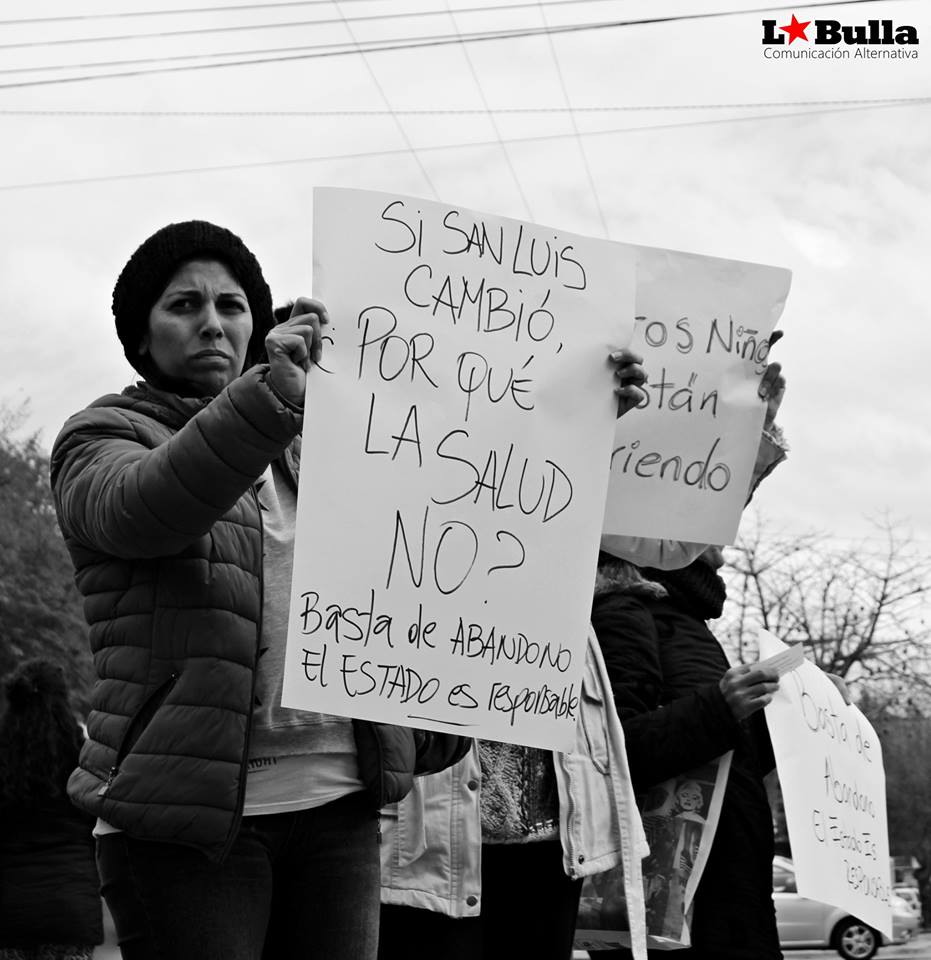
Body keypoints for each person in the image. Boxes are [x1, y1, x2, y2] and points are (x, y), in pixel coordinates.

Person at [49, 220, 469, 960]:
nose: (212, 322)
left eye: (232, 304)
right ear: (141, 337)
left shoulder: (335, 438)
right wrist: (268, 397)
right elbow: (147, 507)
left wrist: (575, 419)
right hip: (189, 826)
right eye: (183, 305)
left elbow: (448, 515)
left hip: (337, 806)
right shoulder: (101, 438)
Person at [378, 354, 652, 960]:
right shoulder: (394, 482)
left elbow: (667, 527)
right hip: (436, 839)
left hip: (548, 835)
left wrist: (597, 419)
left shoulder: (548, 511)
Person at [588, 366, 790, 959]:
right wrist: (720, 706)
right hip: (669, 921)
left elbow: (729, 759)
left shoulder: (686, 621)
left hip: (730, 896)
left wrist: (793, 713)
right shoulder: (620, 612)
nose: (722, 524)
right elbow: (614, 755)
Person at [0, 659, 103, 960]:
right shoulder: (83, 757)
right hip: (70, 909)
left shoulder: (3, 760)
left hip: (10, 911)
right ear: (62, 701)